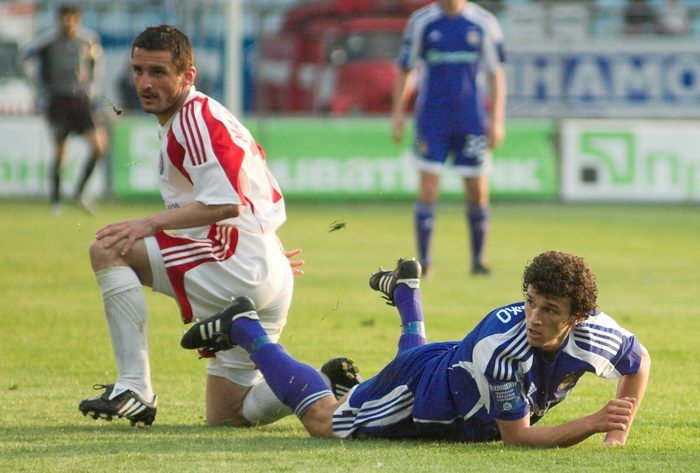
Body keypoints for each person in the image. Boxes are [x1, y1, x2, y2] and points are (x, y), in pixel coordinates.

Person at [77, 25, 358, 428]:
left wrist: (148, 224)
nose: (145, 83)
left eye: (158, 72)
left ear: (187, 75)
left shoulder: (194, 120)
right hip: (262, 266)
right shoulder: (204, 115)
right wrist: (267, 249)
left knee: (108, 248)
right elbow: (253, 188)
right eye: (138, 71)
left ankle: (134, 388)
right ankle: (324, 383)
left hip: (234, 263)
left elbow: (226, 202)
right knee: (228, 414)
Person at [182, 251, 650, 446]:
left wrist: (617, 435)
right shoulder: (503, 349)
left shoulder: (596, 333)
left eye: (550, 310)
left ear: (577, 317)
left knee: (406, 365)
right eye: (530, 302)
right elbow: (517, 438)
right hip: (422, 396)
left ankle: (407, 292)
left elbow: (638, 361)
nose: (535, 317)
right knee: (326, 422)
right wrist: (593, 423)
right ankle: (246, 327)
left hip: (446, 371)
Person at [391, 0, 507, 276]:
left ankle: (478, 260)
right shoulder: (421, 22)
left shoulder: (484, 22)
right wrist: (398, 113)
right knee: (429, 188)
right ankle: (425, 262)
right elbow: (405, 69)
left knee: (477, 189)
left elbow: (496, 73)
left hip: (471, 118)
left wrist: (497, 120)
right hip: (432, 119)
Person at [22, 3, 107, 214]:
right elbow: (25, 58)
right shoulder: (47, 42)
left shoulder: (88, 40)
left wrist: (93, 88)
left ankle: (79, 192)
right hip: (58, 100)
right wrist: (38, 88)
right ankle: (56, 200)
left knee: (99, 146)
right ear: (58, 19)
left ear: (78, 20)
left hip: (81, 99)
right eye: (63, 18)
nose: (67, 22)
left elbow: (96, 64)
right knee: (60, 152)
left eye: (71, 18)